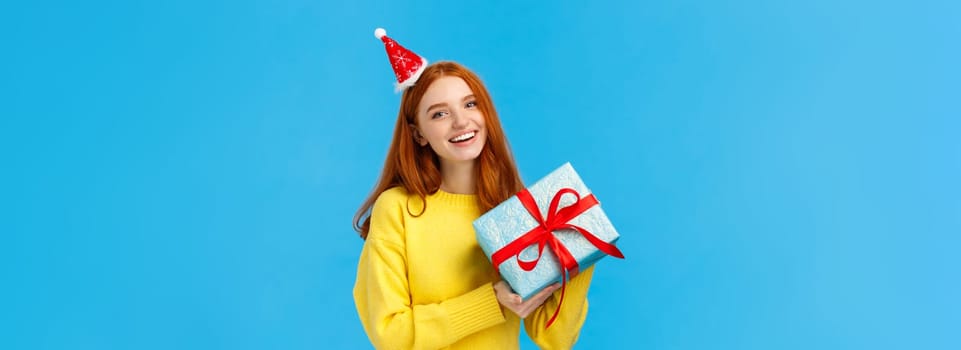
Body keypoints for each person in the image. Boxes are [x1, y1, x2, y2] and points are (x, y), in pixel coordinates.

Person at [353, 29, 595, 349]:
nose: (461, 122)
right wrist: (490, 303)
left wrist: (580, 251)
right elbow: (391, 334)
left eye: (470, 104)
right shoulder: (397, 209)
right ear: (418, 134)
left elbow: (553, 338)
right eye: (439, 113)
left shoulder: (517, 210)